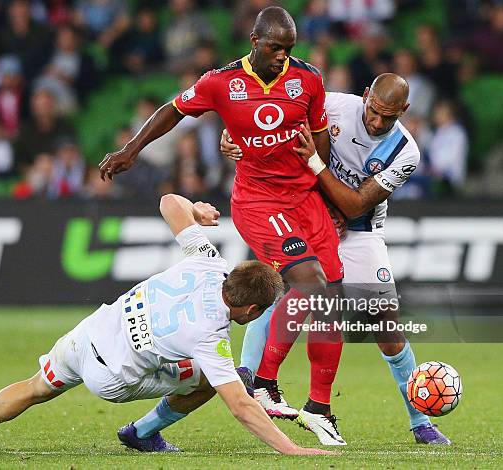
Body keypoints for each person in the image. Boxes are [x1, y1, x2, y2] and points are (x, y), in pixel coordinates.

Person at [99, 6, 347, 445]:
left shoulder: (307, 78)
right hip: (259, 198)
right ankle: (262, 381)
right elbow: (173, 109)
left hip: (306, 196)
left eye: (288, 49)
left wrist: (329, 195)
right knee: (310, 282)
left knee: (332, 303)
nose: (282, 57)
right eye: (275, 48)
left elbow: (320, 136)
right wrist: (132, 149)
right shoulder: (222, 82)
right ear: (254, 40)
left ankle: (320, 407)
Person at [0, 194, 331, 457]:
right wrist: (292, 450)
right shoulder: (212, 335)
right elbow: (241, 405)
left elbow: (169, 202)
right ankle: (142, 433)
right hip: (113, 378)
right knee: (223, 379)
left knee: (34, 388)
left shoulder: (207, 260)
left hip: (87, 336)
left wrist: (197, 209)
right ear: (253, 309)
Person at [221, 73, 452, 445]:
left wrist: (317, 166)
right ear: (365, 96)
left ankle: (420, 420)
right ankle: (252, 379)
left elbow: (357, 203)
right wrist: (233, 133)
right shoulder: (331, 105)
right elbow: (267, 115)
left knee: (387, 328)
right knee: (271, 291)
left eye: (388, 117)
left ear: (404, 111)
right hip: (305, 217)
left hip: (359, 233)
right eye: (373, 112)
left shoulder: (405, 152)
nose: (377, 122)